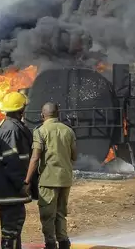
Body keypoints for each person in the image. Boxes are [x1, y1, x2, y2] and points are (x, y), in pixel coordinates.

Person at [25, 102, 77, 249]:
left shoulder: (40, 131)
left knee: (48, 215)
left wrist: (27, 180)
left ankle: (50, 244)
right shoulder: (68, 131)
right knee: (61, 213)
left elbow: (35, 158)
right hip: (65, 179)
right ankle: (64, 242)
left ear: (42, 115)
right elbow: (75, 156)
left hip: (48, 180)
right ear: (58, 114)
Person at [0, 92, 33, 249]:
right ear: (20, 111)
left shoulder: (8, 127)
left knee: (12, 231)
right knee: (11, 230)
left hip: (8, 191)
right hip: (11, 191)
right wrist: (23, 184)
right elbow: (12, 162)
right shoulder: (12, 130)